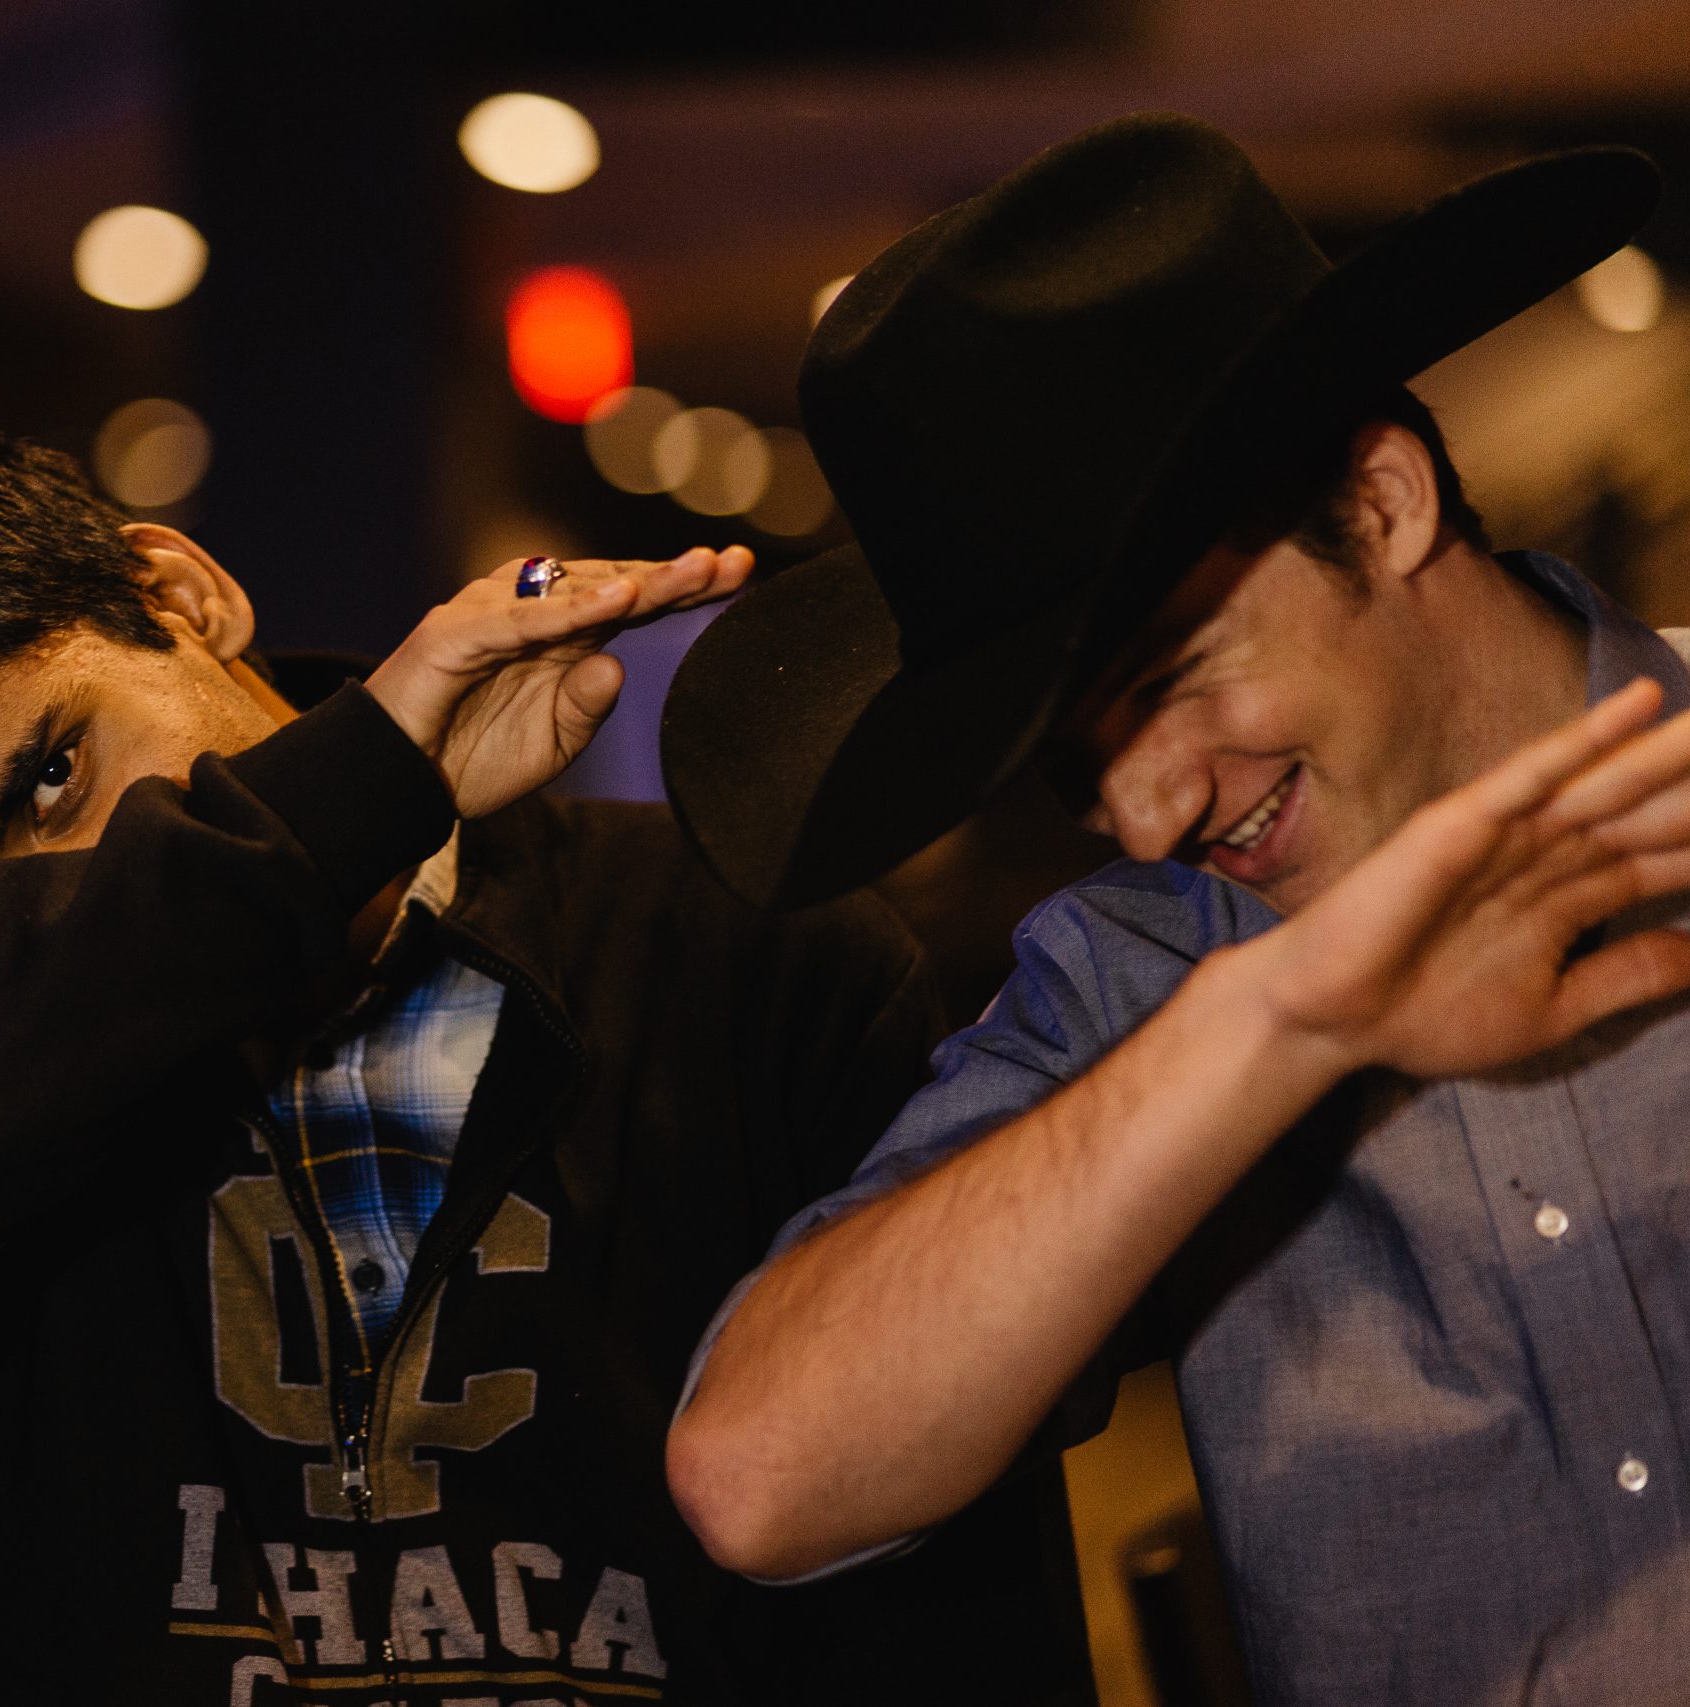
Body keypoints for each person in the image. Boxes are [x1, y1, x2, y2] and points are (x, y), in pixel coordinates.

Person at [0, 422, 1093, 1704]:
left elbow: (949, 1601)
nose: (91, 904)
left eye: (60, 772)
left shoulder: (740, 955)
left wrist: (349, 801)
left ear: (181, 598)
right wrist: (351, 792)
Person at [659, 112, 1690, 1705]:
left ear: (1383, 503)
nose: (1145, 816)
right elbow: (760, 1477)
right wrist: (1283, 1022)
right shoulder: (1141, 981)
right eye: (1071, 764)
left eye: (1170, 684)